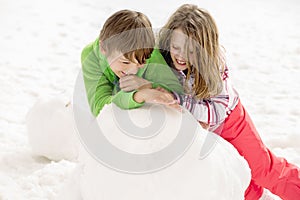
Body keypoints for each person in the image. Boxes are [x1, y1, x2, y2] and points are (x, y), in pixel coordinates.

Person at [156, 4, 300, 200]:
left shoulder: (214, 64)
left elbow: (217, 112)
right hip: (201, 130)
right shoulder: (161, 57)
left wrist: (178, 100)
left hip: (231, 121)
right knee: (231, 176)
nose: (180, 55)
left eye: (190, 51)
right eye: (176, 47)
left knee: (262, 169)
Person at [81, 9, 183, 117]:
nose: (133, 70)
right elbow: (100, 108)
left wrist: (148, 85)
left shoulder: (149, 53)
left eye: (141, 62)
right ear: (103, 48)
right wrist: (139, 95)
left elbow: (176, 92)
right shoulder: (90, 56)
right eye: (125, 62)